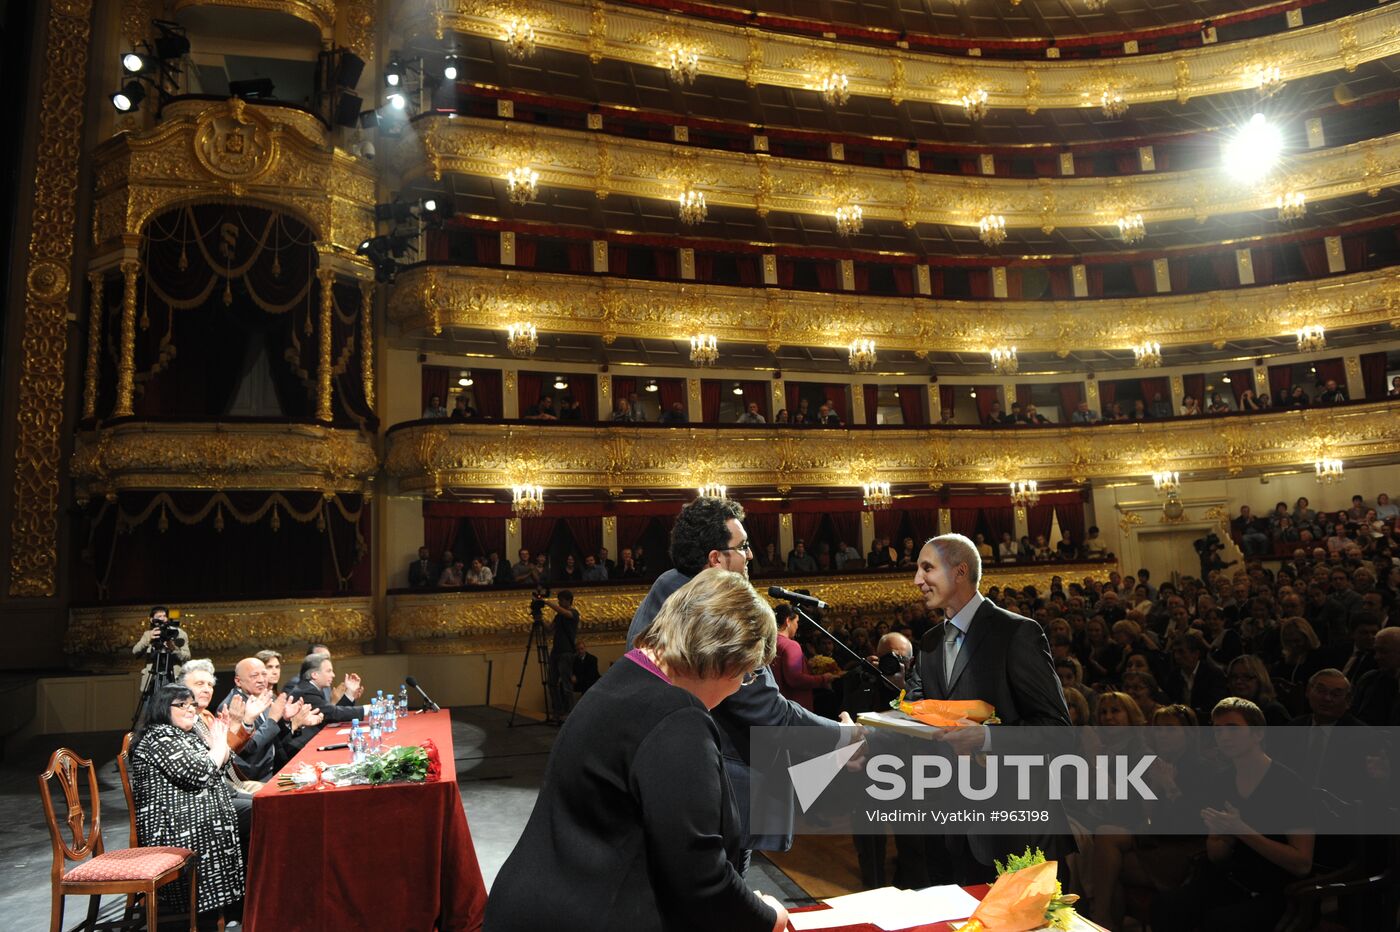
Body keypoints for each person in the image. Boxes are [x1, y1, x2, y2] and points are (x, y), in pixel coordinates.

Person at [486, 570, 790, 932]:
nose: (742, 686)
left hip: (538, 904)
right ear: (726, 660)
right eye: (748, 674)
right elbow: (697, 876)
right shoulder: (678, 717)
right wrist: (767, 916)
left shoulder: (625, 676)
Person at [624, 496, 855, 852]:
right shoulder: (716, 614)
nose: (750, 556)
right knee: (725, 894)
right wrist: (841, 736)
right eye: (742, 547)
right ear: (715, 559)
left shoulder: (667, 588)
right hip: (719, 791)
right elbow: (767, 712)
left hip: (671, 786)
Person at [904, 533, 1071, 881]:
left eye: (927, 568)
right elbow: (919, 714)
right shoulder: (930, 642)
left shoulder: (1017, 633)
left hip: (1019, 834)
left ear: (960, 571)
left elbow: (1057, 729)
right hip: (952, 833)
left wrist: (987, 739)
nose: (917, 580)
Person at [1151, 698, 1314, 932]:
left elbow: (1301, 864)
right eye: (1218, 731)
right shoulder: (1221, 780)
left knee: (1220, 922)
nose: (1224, 737)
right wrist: (1219, 838)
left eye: (1233, 729)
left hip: (1275, 887)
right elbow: (1217, 856)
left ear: (1257, 734)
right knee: (1166, 906)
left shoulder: (1289, 784)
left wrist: (1242, 830)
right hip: (1231, 878)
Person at [129, 683, 245, 921]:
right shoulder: (160, 738)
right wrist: (219, 742)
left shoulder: (182, 735)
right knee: (258, 813)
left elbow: (220, 763)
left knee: (259, 810)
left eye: (192, 704)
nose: (191, 709)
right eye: (182, 705)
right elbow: (202, 772)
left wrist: (218, 743)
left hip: (196, 812)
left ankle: (240, 903)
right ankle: (239, 905)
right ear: (162, 708)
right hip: (173, 824)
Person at [770, 604, 837, 711]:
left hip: (774, 707)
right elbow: (795, 679)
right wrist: (823, 679)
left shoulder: (768, 643)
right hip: (794, 709)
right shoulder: (790, 645)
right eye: (796, 622)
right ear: (788, 621)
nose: (797, 626)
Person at [132, 606, 191, 693]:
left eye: (164, 616)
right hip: (152, 678)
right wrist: (149, 639)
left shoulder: (179, 634)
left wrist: (174, 649)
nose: (163, 619)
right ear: (152, 620)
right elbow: (135, 651)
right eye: (159, 616)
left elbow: (187, 657)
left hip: (173, 677)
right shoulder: (148, 634)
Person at [543, 590, 581, 721]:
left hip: (566, 652)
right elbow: (549, 629)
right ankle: (557, 711)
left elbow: (565, 613)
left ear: (568, 601)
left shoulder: (574, 613)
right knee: (552, 683)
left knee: (566, 684)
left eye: (561, 600)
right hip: (556, 651)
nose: (559, 602)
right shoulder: (558, 616)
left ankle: (569, 712)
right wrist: (539, 619)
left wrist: (547, 602)